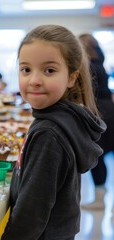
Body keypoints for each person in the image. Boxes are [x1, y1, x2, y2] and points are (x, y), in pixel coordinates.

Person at [1, 25, 106, 239]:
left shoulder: (48, 133)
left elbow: (32, 212)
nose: (34, 80)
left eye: (49, 70)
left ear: (71, 78)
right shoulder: (62, 119)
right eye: (26, 69)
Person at [79, 33, 114, 210]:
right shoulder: (100, 62)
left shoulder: (89, 66)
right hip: (109, 108)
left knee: (97, 155)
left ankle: (99, 200)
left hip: (99, 112)